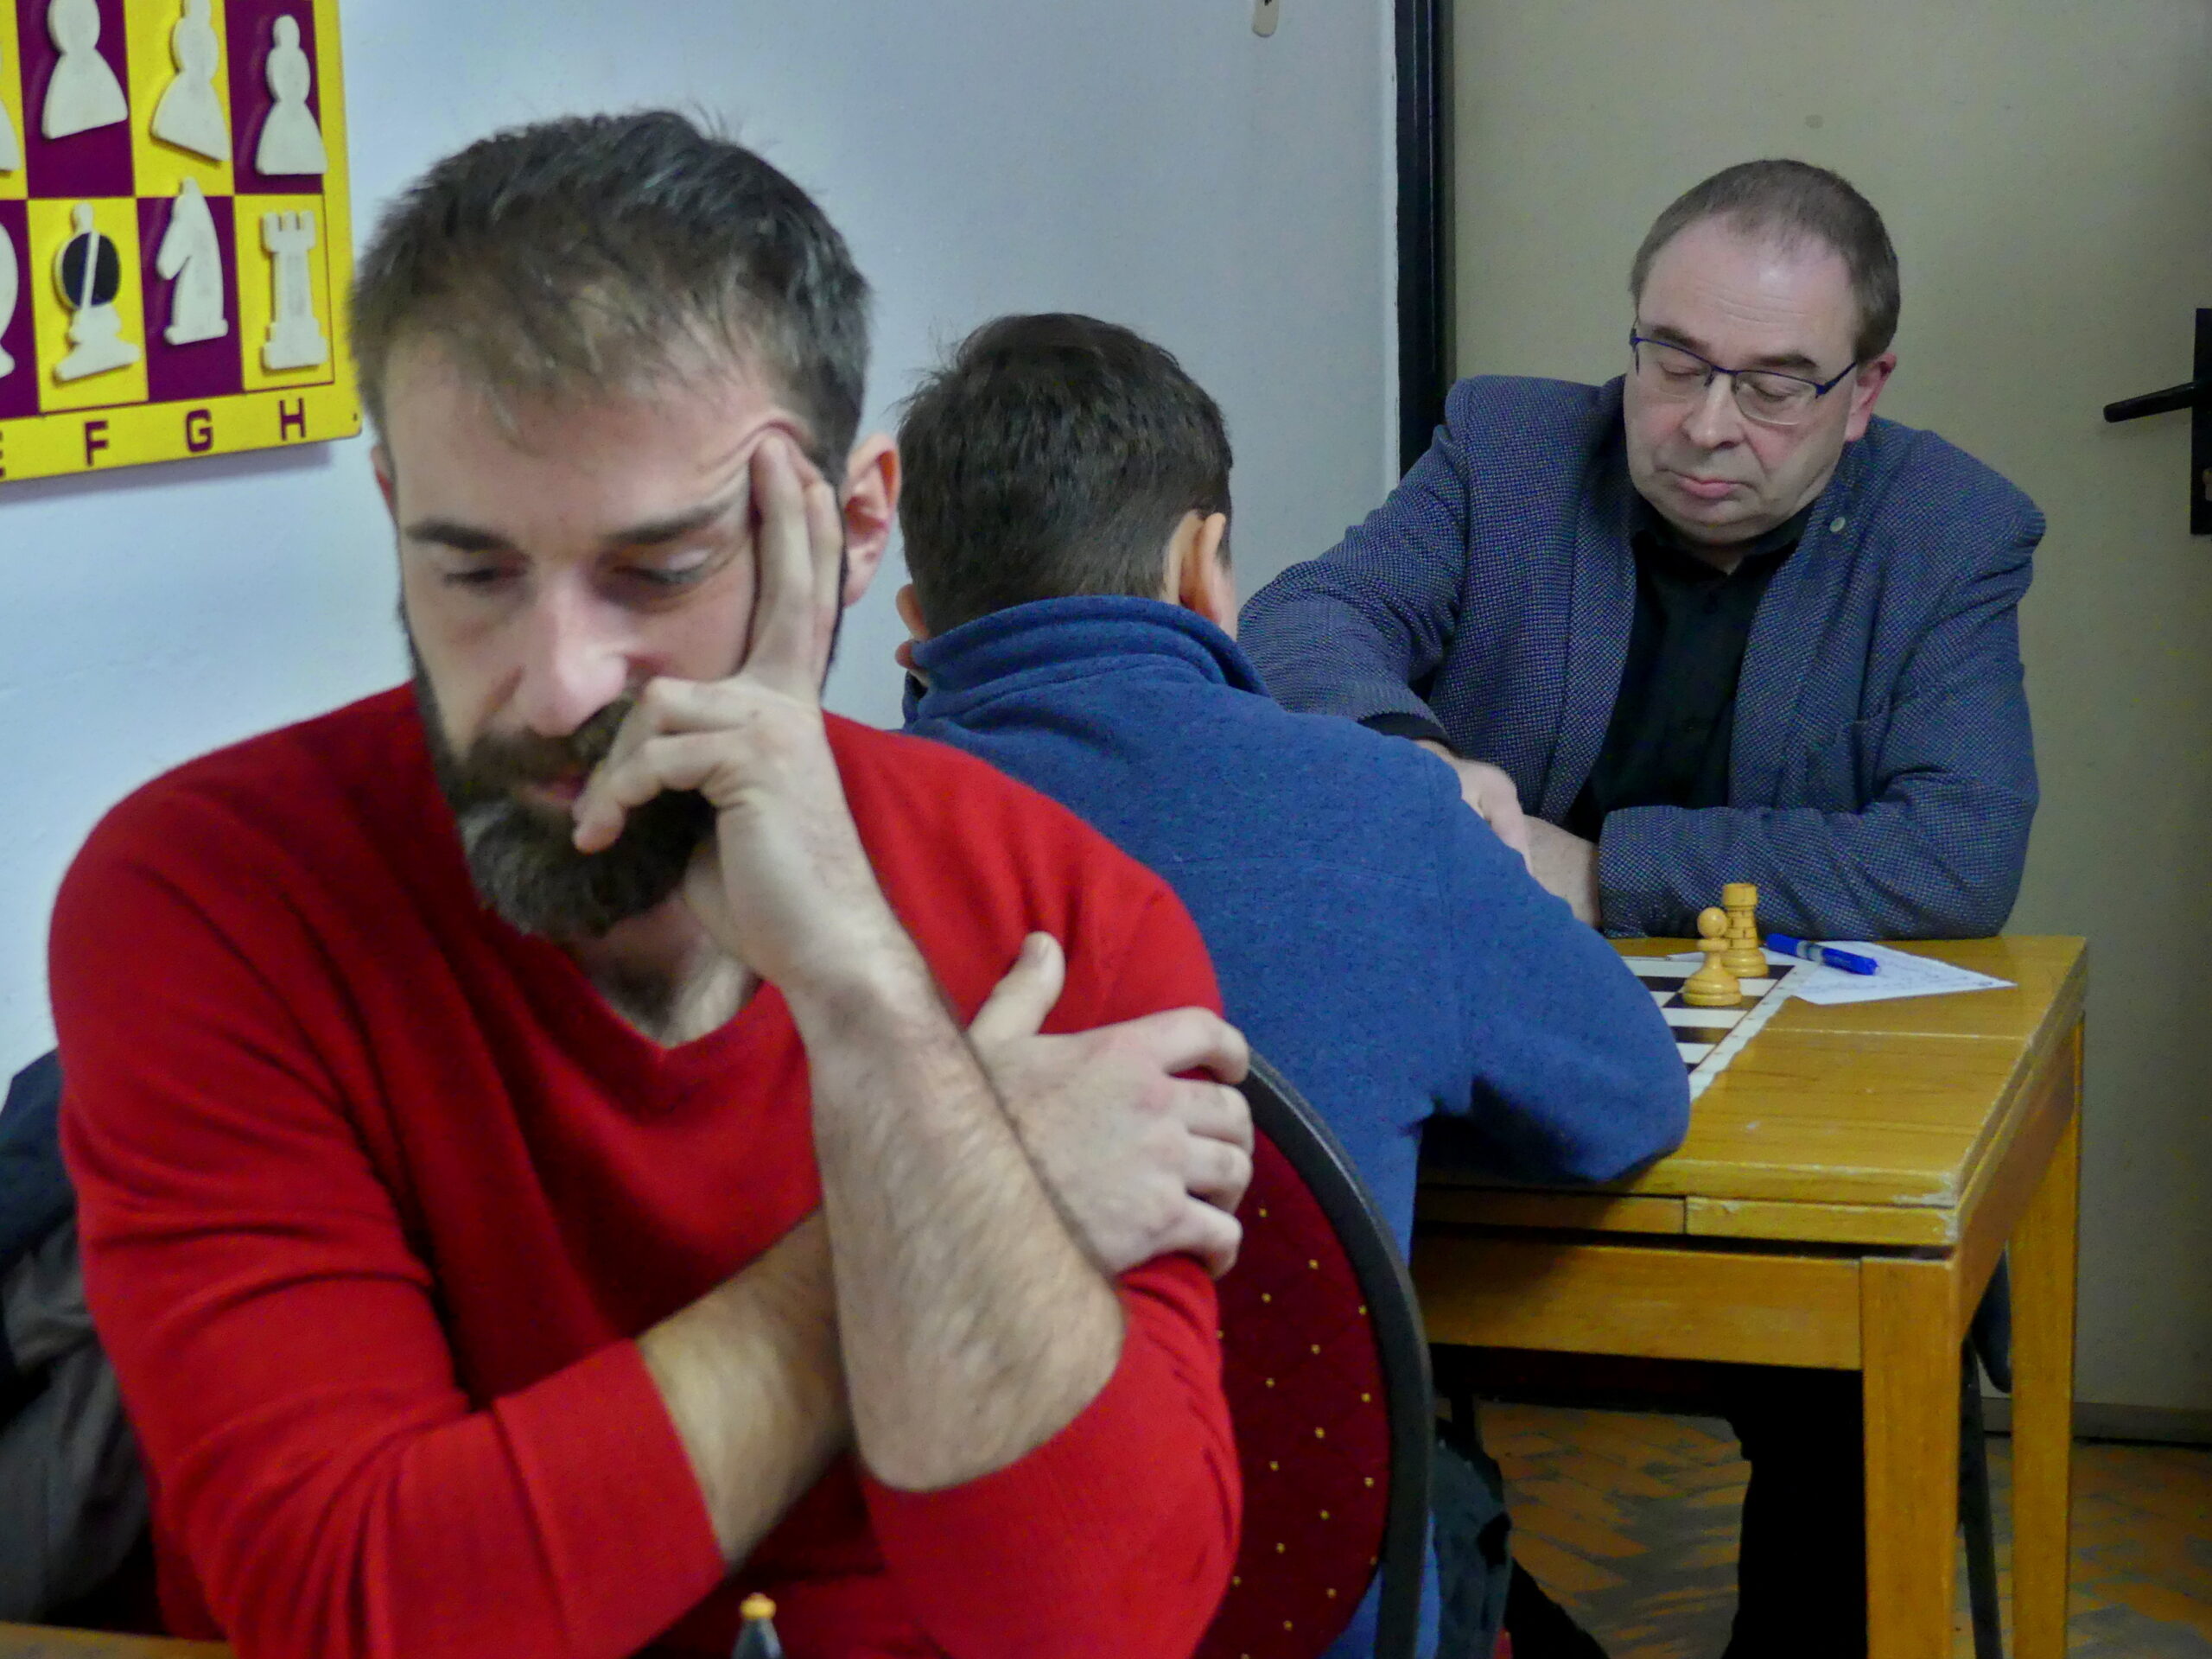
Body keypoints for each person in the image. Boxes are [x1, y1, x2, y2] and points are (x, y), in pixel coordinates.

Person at [51, 114, 1262, 1659]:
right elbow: (358, 1609)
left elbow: (1093, 1629)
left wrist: (861, 995)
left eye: (659, 571)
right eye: (473, 571)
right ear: (393, 510)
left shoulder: (1066, 916)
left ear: (853, 525)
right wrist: (950, 1193)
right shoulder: (209, 896)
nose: (558, 683)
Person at [1242, 162, 2042, 1657]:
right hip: (1502, 1083)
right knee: (1313, 1333)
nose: (1705, 422)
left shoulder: (1949, 531)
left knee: (1852, 1403)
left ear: (1864, 394)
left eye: (1775, 385)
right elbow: (1305, 617)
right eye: (1672, 360)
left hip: (1797, 1124)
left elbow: (1959, 849)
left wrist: (1607, 870)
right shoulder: (1507, 447)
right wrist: (1419, 761)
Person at [891, 311, 1693, 1659]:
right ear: (1202, 567)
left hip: (939, 1609)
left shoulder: (811, 851)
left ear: (916, 624)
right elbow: (1629, 1100)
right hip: (1311, 1607)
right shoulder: (1374, 806)